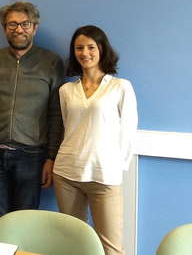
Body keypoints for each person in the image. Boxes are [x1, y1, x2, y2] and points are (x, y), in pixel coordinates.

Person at [0, 1, 64, 226]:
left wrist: (51, 157)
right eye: (12, 24)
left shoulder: (51, 62)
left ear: (35, 28)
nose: (18, 29)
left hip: (31, 157)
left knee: (24, 223)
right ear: (4, 28)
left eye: (25, 24)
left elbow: (55, 113)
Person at [53, 25, 137, 255]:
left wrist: (117, 167)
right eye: (79, 48)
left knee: (111, 248)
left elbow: (128, 132)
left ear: (102, 49)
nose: (85, 52)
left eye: (91, 46)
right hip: (66, 173)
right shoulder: (66, 90)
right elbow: (67, 129)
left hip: (104, 175)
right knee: (73, 244)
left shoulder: (120, 87)